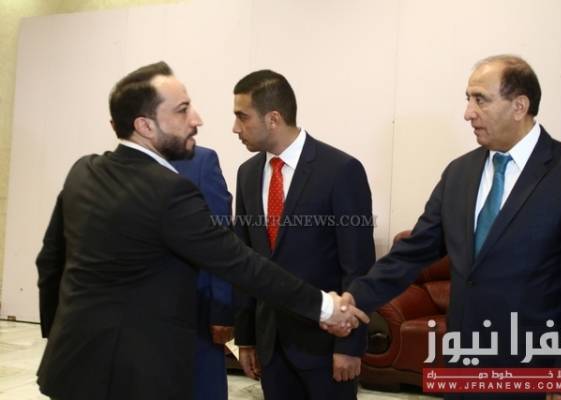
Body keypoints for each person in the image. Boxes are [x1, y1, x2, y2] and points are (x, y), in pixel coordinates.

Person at [35, 61, 368, 400]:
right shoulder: (170, 190)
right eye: (182, 110)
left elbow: (50, 264)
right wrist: (327, 308)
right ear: (145, 125)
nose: (197, 119)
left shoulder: (83, 171)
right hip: (138, 375)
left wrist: (58, 336)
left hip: (70, 368)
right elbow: (241, 263)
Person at [340, 55, 561, 399]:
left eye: (480, 99)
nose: (468, 113)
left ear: (519, 106)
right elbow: (413, 251)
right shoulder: (459, 174)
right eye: (468, 99)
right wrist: (355, 297)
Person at [232, 69, 375, 400]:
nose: (235, 128)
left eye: (242, 116)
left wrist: (350, 345)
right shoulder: (247, 174)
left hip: (325, 346)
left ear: (273, 118)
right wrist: (246, 338)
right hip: (270, 347)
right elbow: (244, 263)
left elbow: (358, 267)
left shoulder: (341, 170)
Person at [172, 146, 233, 400]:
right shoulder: (114, 169)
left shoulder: (200, 161)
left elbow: (220, 242)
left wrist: (222, 308)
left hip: (194, 312)